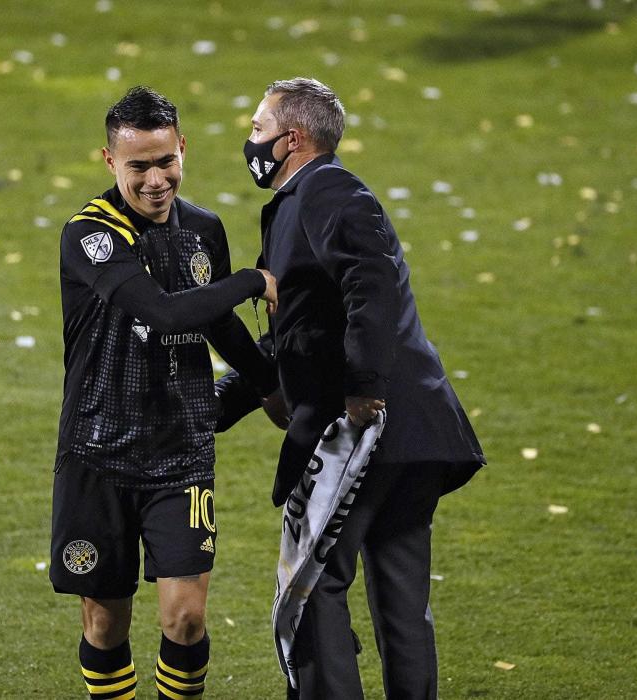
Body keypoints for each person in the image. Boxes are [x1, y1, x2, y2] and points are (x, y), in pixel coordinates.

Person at [239, 77, 486, 699]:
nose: (250, 140)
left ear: (291, 139)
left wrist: (362, 388)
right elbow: (303, 330)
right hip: (416, 430)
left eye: (257, 129)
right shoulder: (309, 199)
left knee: (313, 586)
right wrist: (224, 397)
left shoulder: (326, 190)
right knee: (402, 599)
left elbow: (369, 282)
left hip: (366, 432)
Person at [50, 86, 279, 700]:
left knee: (186, 617)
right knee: (105, 622)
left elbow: (217, 323)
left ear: (183, 148)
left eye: (165, 161)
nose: (156, 180)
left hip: (181, 449)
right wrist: (252, 280)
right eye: (138, 166)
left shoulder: (203, 228)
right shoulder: (89, 235)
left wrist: (267, 384)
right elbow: (162, 311)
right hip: (99, 451)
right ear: (108, 161)